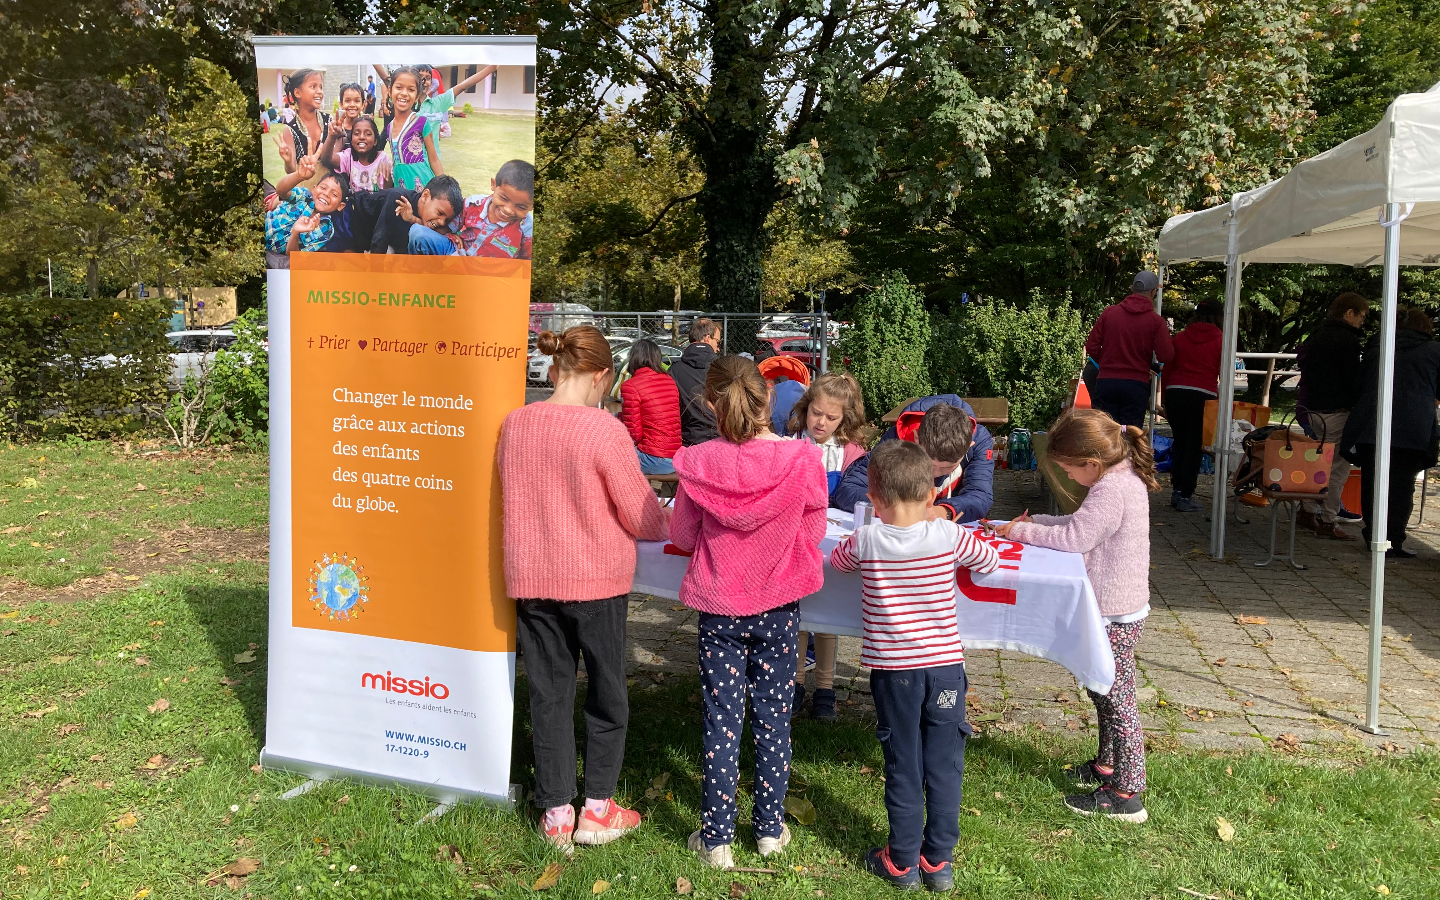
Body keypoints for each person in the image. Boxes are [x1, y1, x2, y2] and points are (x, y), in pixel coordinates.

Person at [498, 325, 670, 852]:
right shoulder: (604, 432)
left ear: (555, 370)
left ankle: (555, 813)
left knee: (549, 694)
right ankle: (597, 808)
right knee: (606, 692)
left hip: (532, 579)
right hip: (595, 581)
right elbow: (644, 518)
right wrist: (665, 519)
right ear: (601, 376)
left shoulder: (514, 425)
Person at [670, 355, 828, 869]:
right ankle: (767, 828)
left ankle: (716, 838)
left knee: (722, 718)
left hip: (720, 605)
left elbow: (684, 536)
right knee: (773, 716)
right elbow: (813, 530)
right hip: (778, 604)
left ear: (711, 403)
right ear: (768, 400)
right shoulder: (802, 461)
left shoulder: (698, 462)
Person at [830, 441, 999, 890]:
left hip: (893, 673)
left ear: (874, 498)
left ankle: (902, 859)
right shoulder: (947, 534)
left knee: (903, 762)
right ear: (932, 496)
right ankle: (937, 861)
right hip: (944, 667)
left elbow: (837, 560)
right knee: (944, 762)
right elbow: (990, 560)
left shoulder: (866, 540)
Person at [995, 409, 1159, 823]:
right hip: (1118, 607)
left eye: (1068, 470)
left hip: (1114, 611)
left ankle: (1128, 792)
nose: (1068, 477)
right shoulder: (1118, 477)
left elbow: (1075, 538)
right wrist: (1034, 523)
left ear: (1091, 463)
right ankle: (1107, 766)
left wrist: (1020, 532)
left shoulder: (1111, 489)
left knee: (1115, 695)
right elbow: (1079, 524)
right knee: (1101, 686)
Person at [786, 372, 871, 719]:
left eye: (830, 417)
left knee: (828, 619)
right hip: (799, 540)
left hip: (833, 545)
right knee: (801, 615)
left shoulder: (850, 452)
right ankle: (794, 682)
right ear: (806, 409)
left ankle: (825, 686)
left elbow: (855, 494)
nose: (820, 422)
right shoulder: (790, 441)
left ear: (844, 419)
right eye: (815, 413)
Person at [1340, 307, 1440, 559]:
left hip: (1372, 424)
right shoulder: (1433, 351)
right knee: (1402, 486)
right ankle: (1394, 539)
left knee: (1373, 483)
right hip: (1413, 426)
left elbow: (1358, 384)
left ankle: (1374, 535)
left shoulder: (1377, 347)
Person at [833, 396, 995, 523]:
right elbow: (849, 489)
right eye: (929, 464)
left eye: (947, 468)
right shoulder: (896, 440)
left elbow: (980, 495)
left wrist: (943, 512)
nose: (935, 474)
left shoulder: (980, 441)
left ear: (969, 446)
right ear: (916, 438)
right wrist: (894, 508)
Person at [1297, 293, 1369, 540]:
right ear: (1349, 313)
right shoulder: (1347, 341)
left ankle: (1307, 510)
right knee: (1337, 468)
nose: (1362, 321)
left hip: (1314, 409)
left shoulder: (1318, 335)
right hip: (1337, 410)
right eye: (1361, 316)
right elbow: (1352, 379)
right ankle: (1328, 519)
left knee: (1318, 463)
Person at [1085, 271, 1175, 426]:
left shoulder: (1109, 313)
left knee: (1104, 432)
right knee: (1130, 435)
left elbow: (1091, 346)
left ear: (1132, 288)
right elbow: (1167, 355)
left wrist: (1107, 363)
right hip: (1136, 384)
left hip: (1106, 381)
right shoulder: (1156, 321)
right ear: (1153, 292)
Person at [1161, 300, 1223, 513]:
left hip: (1176, 390)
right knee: (1195, 446)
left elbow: (1168, 366)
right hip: (1203, 394)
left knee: (1179, 442)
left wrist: (1165, 398)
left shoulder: (1180, 337)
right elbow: (1224, 373)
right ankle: (1186, 494)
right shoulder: (1222, 340)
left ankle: (1177, 490)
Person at [409, 159, 535, 260]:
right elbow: (443, 228)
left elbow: (526, 264)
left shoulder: (527, 228)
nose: (508, 209)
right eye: (504, 198)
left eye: (521, 207)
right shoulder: (473, 204)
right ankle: (424, 277)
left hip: (488, 277)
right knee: (418, 232)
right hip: (455, 255)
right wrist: (450, 235)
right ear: (494, 185)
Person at [619, 339, 682, 475]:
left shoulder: (631, 386)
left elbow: (634, 434)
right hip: (674, 456)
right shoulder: (669, 380)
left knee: (611, 456)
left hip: (653, 458)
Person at [364, 175, 464, 254]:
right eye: (440, 213)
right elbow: (379, 239)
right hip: (358, 224)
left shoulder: (427, 217)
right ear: (425, 196)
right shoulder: (399, 201)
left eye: (447, 220)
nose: (442, 222)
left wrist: (449, 236)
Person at [264, 158, 346, 254]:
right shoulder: (303, 195)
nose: (326, 194)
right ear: (314, 189)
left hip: (273, 255)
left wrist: (295, 233)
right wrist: (299, 176)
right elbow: (281, 191)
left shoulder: (326, 230)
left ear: (340, 206)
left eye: (334, 194)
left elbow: (294, 255)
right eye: (323, 188)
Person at [383, 66, 444, 191]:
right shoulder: (389, 128)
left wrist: (444, 189)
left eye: (411, 89)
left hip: (423, 187)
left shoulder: (421, 122)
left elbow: (434, 160)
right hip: (401, 190)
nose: (404, 93)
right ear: (390, 91)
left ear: (416, 96)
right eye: (399, 87)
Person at [275, 69, 331, 187]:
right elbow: (291, 171)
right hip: (304, 192)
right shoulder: (291, 129)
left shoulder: (329, 121)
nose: (319, 91)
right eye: (313, 86)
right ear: (297, 93)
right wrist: (288, 160)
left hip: (328, 192)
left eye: (321, 87)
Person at [672, 318, 722, 446]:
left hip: (686, 441)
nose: (718, 348)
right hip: (719, 439)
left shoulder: (674, 370)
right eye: (717, 341)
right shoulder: (723, 369)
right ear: (707, 338)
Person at [322, 115, 392, 194]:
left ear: (375, 141)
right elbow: (327, 159)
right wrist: (332, 136)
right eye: (357, 133)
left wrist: (388, 174)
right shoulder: (348, 156)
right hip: (356, 204)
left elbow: (388, 191)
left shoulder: (382, 158)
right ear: (351, 140)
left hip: (378, 203)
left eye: (368, 134)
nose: (361, 137)